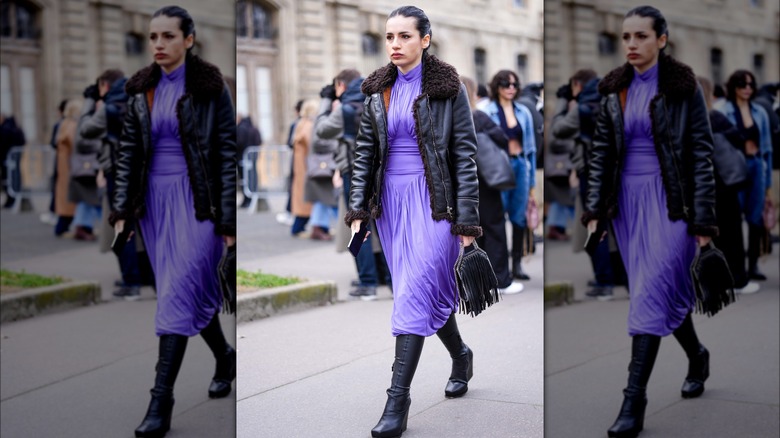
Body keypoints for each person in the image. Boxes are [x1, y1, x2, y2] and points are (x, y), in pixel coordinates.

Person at [345, 6, 480, 437]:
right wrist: (358, 211)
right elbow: (364, 154)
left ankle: (396, 402)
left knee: (416, 290)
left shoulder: (448, 89)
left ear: (425, 39)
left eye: (404, 36)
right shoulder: (376, 92)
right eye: (389, 37)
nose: (395, 45)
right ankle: (460, 354)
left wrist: (467, 224)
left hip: (435, 203)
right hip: (391, 204)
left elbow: (464, 156)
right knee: (420, 291)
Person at [583, 6, 717, 437]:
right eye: (626, 37)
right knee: (659, 291)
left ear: (661, 39)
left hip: (671, 203)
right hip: (627, 204)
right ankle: (696, 355)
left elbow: (701, 154)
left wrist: (703, 221)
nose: (631, 45)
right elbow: (600, 153)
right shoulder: (613, 90)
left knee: (652, 291)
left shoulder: (683, 87)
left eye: (641, 36)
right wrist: (595, 212)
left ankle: (633, 401)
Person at [108, 6, 236, 437]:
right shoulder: (139, 89)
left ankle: (161, 401)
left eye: (167, 36)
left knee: (178, 294)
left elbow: (224, 154)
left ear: (189, 39)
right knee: (188, 295)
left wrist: (229, 219)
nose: (158, 44)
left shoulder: (209, 87)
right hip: (155, 207)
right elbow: (128, 152)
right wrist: (123, 211)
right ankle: (225, 357)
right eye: (153, 37)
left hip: (198, 204)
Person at [316, 68, 391, 299]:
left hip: (354, 173)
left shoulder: (345, 110)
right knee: (383, 227)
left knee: (359, 226)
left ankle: (367, 283)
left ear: (340, 85)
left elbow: (320, 130)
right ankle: (391, 281)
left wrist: (327, 100)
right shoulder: (374, 100)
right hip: (379, 171)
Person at [461, 75, 524, 295]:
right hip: (484, 182)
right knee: (494, 229)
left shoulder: (447, 120)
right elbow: (502, 139)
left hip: (458, 185)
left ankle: (472, 283)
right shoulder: (478, 117)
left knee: (466, 232)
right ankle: (500, 280)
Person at [698, 76, 759, 294]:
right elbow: (738, 139)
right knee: (731, 233)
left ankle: (710, 283)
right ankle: (737, 280)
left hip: (697, 186)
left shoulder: (684, 121)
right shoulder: (714, 117)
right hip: (723, 184)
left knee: (705, 234)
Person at [717, 70, 773, 281]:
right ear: (734, 86)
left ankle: (754, 265)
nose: (747, 88)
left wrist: (768, 183)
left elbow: (767, 149)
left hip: (757, 165)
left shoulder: (759, 111)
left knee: (755, 217)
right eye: (742, 84)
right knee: (732, 218)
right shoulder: (722, 110)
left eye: (750, 84)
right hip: (734, 168)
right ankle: (735, 266)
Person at [482, 69, 537, 280]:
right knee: (496, 216)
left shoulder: (523, 112)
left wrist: (531, 181)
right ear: (497, 86)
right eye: (506, 84)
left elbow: (530, 149)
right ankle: (500, 266)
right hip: (498, 169)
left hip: (520, 165)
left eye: (514, 84)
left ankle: (517, 264)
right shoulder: (487, 111)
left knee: (519, 217)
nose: (511, 88)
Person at [290, 100, 318, 236]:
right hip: (306, 167)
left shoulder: (301, 123)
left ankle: (305, 226)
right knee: (305, 198)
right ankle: (298, 228)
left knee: (303, 197)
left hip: (302, 167)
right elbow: (312, 144)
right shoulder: (308, 125)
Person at [54, 101, 82, 235]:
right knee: (68, 196)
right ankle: (63, 227)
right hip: (69, 163)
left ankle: (63, 226)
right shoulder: (71, 124)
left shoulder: (64, 123)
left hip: (64, 163)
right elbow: (74, 142)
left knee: (65, 195)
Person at [0, 113, 26, 208]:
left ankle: (12, 200)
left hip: (7, 158)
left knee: (8, 179)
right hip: (11, 158)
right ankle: (12, 199)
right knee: (11, 178)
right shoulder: (15, 128)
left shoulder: (5, 128)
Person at [236, 114, 262, 208]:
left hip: (242, 157)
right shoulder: (254, 128)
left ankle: (248, 200)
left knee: (245, 179)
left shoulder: (241, 128)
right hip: (251, 157)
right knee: (250, 177)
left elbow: (239, 142)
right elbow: (259, 140)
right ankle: (249, 199)